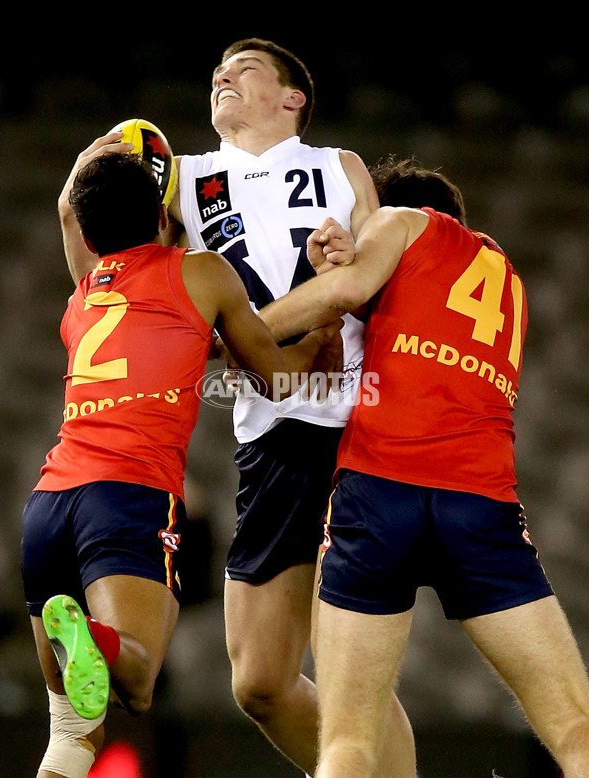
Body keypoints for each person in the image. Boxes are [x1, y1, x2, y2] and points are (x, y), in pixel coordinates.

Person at [56, 39, 415, 777]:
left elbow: (392, 293)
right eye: (216, 69)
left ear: (293, 101)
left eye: (245, 69)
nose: (222, 75)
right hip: (268, 432)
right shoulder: (182, 180)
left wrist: (350, 263)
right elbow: (116, 285)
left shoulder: (338, 167)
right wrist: (77, 189)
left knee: (351, 669)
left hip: (353, 425)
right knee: (258, 683)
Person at [258, 157, 589, 777]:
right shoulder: (510, 281)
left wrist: (227, 336)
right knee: (576, 728)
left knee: (349, 743)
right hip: (481, 507)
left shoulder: (402, 221)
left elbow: (346, 291)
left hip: (381, 495)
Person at [22, 151, 342, 778]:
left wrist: (103, 148)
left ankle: (80, 640)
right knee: (136, 680)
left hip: (48, 504)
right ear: (164, 213)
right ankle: (95, 637)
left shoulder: (84, 291)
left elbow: (68, 204)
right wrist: (320, 336)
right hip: (128, 496)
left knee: (69, 730)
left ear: (88, 235)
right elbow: (274, 380)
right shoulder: (201, 274)